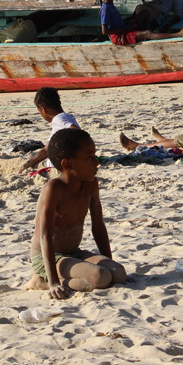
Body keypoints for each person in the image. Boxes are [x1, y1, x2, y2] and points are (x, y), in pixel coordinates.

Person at [25, 128, 126, 298]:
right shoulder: (53, 189)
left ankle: (88, 272)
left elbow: (98, 226)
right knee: (100, 277)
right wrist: (53, 282)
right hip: (48, 257)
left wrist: (109, 260)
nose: (97, 162)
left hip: (74, 252)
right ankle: (41, 281)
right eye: (90, 157)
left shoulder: (91, 184)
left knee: (118, 273)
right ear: (67, 164)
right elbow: (45, 237)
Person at [98, 0, 183, 45]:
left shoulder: (110, 6)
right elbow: (105, 31)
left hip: (122, 30)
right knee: (147, 33)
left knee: (142, 16)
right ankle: (177, 35)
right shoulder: (106, 9)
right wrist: (124, 29)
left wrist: (127, 25)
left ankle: (147, 37)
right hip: (118, 37)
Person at [22, 87, 80, 171]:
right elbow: (46, 150)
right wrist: (28, 163)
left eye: (39, 111)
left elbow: (76, 131)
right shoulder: (63, 118)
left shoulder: (59, 118)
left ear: (43, 109)